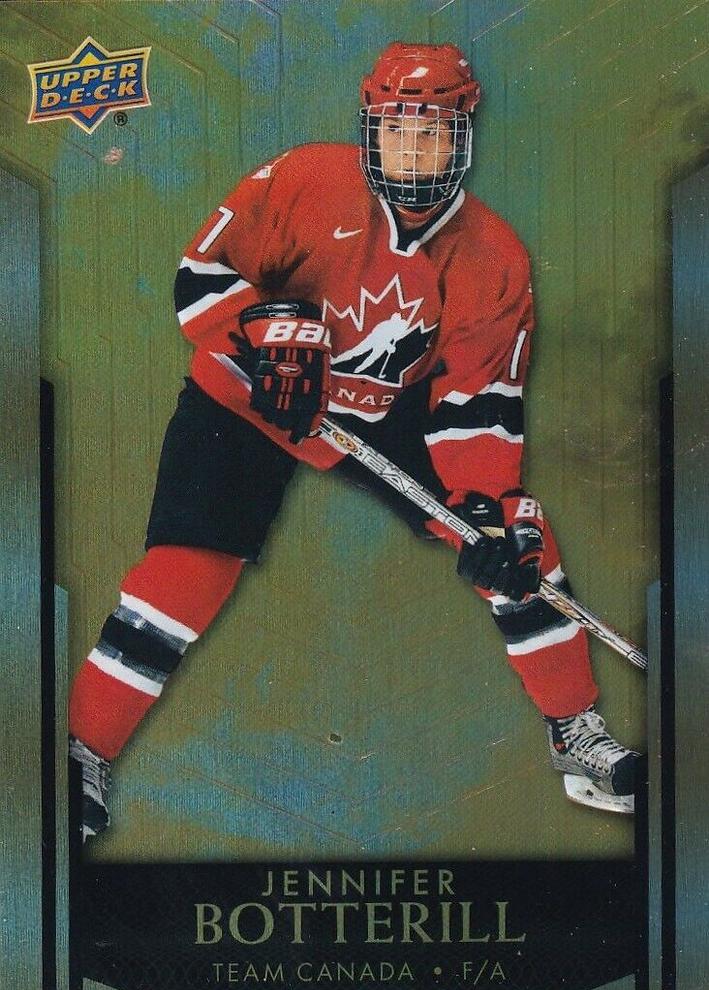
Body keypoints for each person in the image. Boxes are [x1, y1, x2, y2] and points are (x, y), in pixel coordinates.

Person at [68, 42, 640, 840]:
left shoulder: (494, 257)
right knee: (183, 572)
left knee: (516, 544)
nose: (413, 148)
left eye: (432, 131)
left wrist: (484, 505)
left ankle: (574, 733)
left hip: (380, 413)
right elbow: (200, 277)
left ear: (463, 137)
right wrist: (264, 331)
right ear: (369, 128)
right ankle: (81, 754)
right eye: (396, 129)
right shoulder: (304, 178)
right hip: (249, 396)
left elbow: (478, 404)